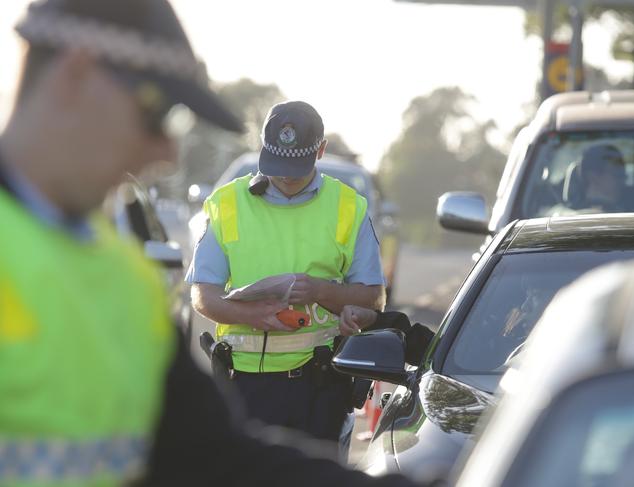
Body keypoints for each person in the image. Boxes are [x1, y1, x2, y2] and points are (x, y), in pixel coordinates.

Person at [0, 1, 423, 486]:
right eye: (159, 116)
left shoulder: (125, 281)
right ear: (76, 76)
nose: (168, 151)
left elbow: (214, 454)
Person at [186, 100, 386, 450]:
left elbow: (373, 297)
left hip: (320, 385)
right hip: (246, 385)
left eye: (297, 166)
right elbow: (203, 293)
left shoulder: (348, 207)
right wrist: (252, 314)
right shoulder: (227, 203)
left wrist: (321, 291)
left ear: (321, 150)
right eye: (278, 164)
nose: (286, 176)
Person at [552, 143, 627, 216]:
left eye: (623, 175)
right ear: (593, 176)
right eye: (617, 175)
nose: (623, 180)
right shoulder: (560, 216)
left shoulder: (629, 213)